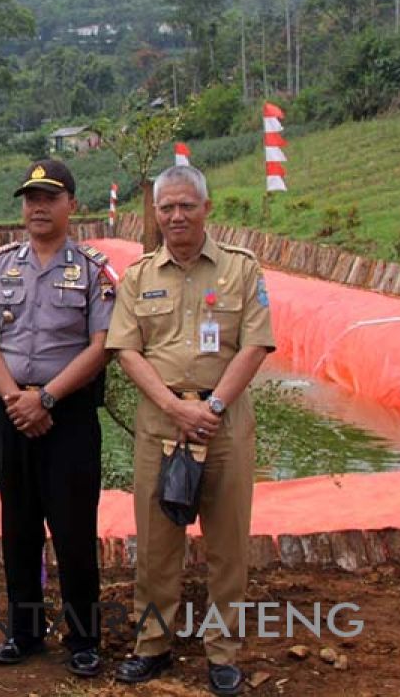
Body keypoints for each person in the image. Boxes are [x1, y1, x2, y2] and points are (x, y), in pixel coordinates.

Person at [106, 165, 274, 697]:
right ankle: (152, 644)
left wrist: (214, 405)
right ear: (154, 213)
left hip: (223, 425)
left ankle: (223, 653)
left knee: (228, 544)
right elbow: (126, 350)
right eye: (166, 208)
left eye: (186, 206)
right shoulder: (137, 277)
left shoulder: (241, 270)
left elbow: (255, 344)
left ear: (206, 208)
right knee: (157, 543)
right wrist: (175, 408)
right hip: (161, 424)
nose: (176, 216)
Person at [0, 160, 114, 676]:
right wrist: (14, 399)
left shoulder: (94, 268)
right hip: (11, 412)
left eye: (49, 197)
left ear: (71, 205)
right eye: (30, 197)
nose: (37, 206)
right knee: (19, 525)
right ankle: (24, 632)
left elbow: (102, 346)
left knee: (74, 528)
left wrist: (45, 399)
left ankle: (83, 639)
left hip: (67, 415)